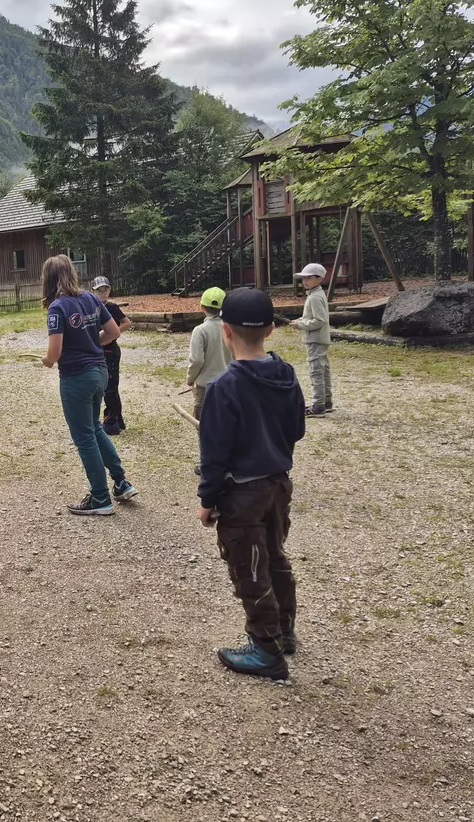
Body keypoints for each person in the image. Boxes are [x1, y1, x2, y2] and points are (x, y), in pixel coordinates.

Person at [197, 287, 306, 680]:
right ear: (272, 330)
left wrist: (207, 500)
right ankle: (284, 630)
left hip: (241, 494)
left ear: (225, 331)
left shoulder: (225, 388)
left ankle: (266, 650)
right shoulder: (287, 374)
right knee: (275, 556)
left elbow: (214, 454)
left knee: (250, 568)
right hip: (278, 485)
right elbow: (297, 429)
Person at [40, 255, 138, 516]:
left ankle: (100, 498)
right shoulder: (91, 298)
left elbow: (55, 352)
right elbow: (114, 332)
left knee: (84, 436)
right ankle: (121, 483)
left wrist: (47, 360)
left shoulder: (57, 307)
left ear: (48, 279)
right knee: (95, 428)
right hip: (100, 372)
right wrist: (93, 344)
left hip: (76, 378)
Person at [90, 276, 131, 435]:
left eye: (105, 290)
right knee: (106, 387)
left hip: (111, 352)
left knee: (110, 389)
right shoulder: (91, 307)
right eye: (99, 290)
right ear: (92, 291)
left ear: (110, 290)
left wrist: (112, 334)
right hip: (98, 351)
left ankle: (111, 422)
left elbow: (127, 323)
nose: (103, 293)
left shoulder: (112, 307)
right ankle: (118, 419)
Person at [290, 263, 332, 416]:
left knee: (316, 371)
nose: (305, 281)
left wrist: (300, 325)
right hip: (320, 338)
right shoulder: (316, 294)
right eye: (304, 278)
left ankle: (318, 405)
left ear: (319, 278)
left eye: (309, 278)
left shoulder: (314, 297)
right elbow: (312, 317)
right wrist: (300, 320)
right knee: (323, 370)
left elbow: (319, 320)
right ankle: (326, 401)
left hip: (315, 339)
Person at [187, 287, 233, 420]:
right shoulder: (230, 327)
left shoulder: (200, 330)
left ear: (202, 307)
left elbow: (196, 360)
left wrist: (190, 378)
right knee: (225, 423)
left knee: (204, 427)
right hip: (227, 383)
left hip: (205, 386)